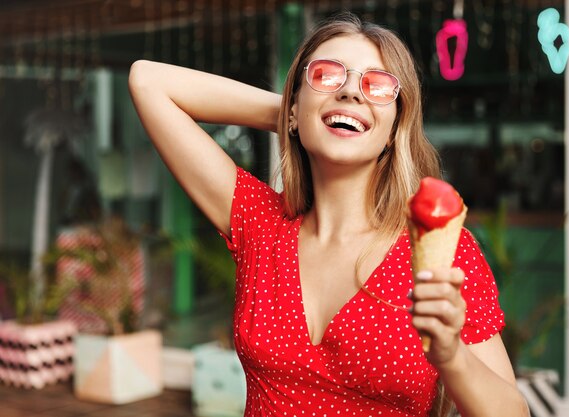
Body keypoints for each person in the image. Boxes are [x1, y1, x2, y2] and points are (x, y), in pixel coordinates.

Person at [129, 12, 529, 417]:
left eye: (376, 86)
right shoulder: (260, 224)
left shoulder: (439, 249)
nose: (352, 93)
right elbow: (148, 81)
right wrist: (299, 113)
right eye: (326, 75)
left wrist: (451, 356)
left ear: (395, 131)